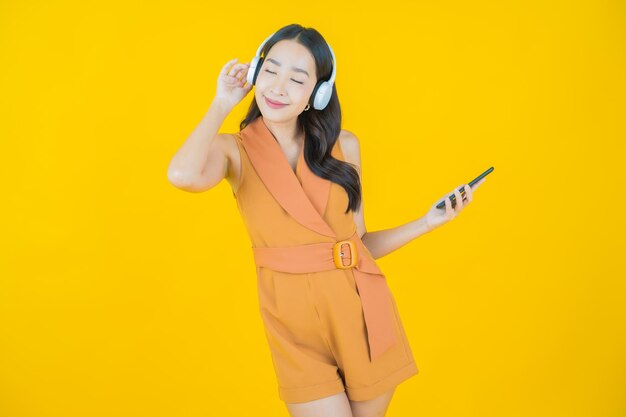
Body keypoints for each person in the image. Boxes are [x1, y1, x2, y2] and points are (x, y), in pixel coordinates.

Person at [167, 23, 485, 417]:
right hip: (292, 324)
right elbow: (181, 176)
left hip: (364, 314)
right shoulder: (233, 151)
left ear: (317, 95)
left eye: (297, 79)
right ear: (254, 75)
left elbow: (359, 245)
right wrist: (221, 102)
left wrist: (427, 222)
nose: (278, 88)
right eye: (270, 71)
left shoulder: (345, 146)